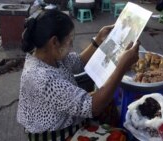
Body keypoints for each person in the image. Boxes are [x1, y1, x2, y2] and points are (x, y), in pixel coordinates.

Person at [17, 9, 139, 140]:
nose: (71, 46)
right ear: (54, 42)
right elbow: (94, 107)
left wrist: (98, 40)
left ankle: (102, 128)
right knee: (119, 137)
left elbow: (78, 62)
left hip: (64, 116)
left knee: (108, 103)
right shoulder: (42, 78)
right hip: (55, 134)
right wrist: (121, 67)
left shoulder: (47, 55)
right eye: (70, 41)